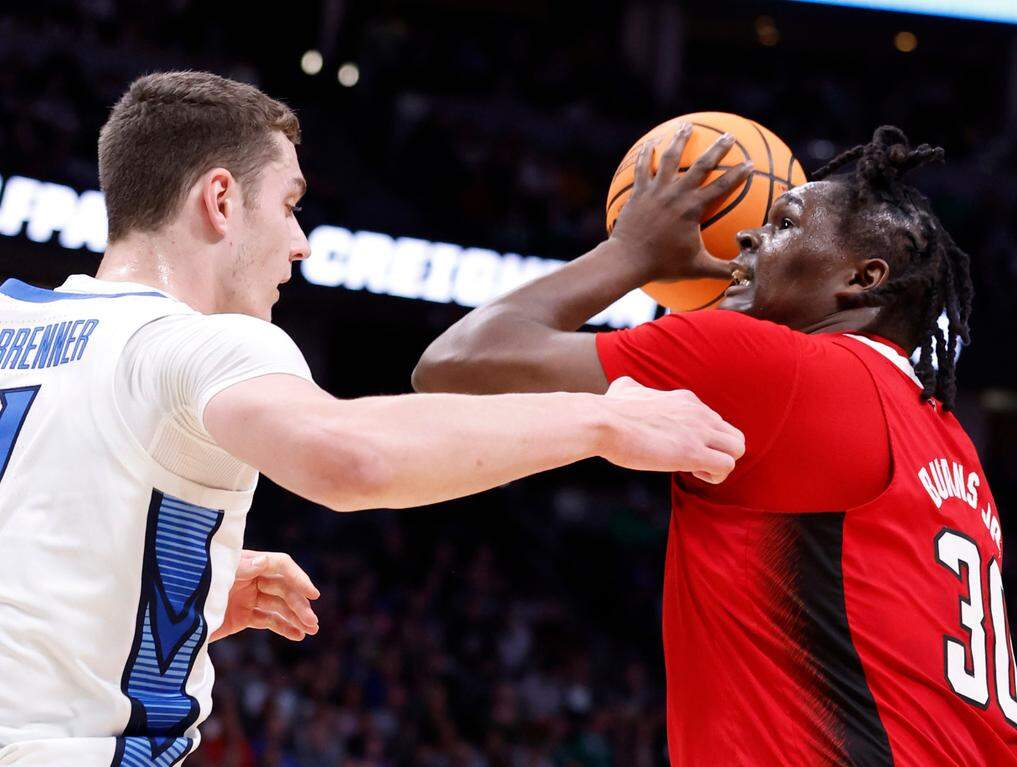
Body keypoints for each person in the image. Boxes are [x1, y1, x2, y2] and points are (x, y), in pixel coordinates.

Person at [0, 72, 744, 766]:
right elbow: (353, 458)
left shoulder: (11, 318)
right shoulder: (199, 340)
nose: (301, 241)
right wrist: (602, 419)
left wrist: (146, 589)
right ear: (220, 201)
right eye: (289, 204)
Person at [413, 124, 1017, 765]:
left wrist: (629, 253)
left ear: (862, 277)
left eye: (784, 223)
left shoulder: (772, 365)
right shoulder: (952, 443)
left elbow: (457, 362)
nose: (748, 234)